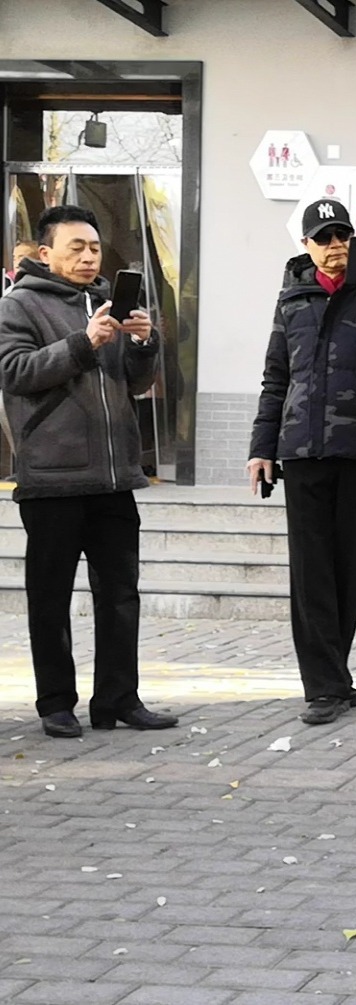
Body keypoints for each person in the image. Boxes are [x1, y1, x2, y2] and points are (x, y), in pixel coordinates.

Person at [0, 205, 175, 738]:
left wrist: (143, 343)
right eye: (75, 247)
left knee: (121, 594)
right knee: (50, 596)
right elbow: (14, 372)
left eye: (94, 248)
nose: (87, 256)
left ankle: (119, 699)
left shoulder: (107, 303)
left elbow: (134, 384)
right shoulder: (19, 305)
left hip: (116, 477)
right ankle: (56, 703)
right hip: (52, 479)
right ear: (45, 252)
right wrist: (84, 342)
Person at [248, 198, 356, 726]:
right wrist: (261, 447)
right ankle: (321, 686)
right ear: (306, 245)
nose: (334, 246)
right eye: (323, 237)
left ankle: (337, 677)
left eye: (342, 235)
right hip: (301, 453)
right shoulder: (292, 304)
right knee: (311, 572)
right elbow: (276, 378)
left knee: (349, 569)